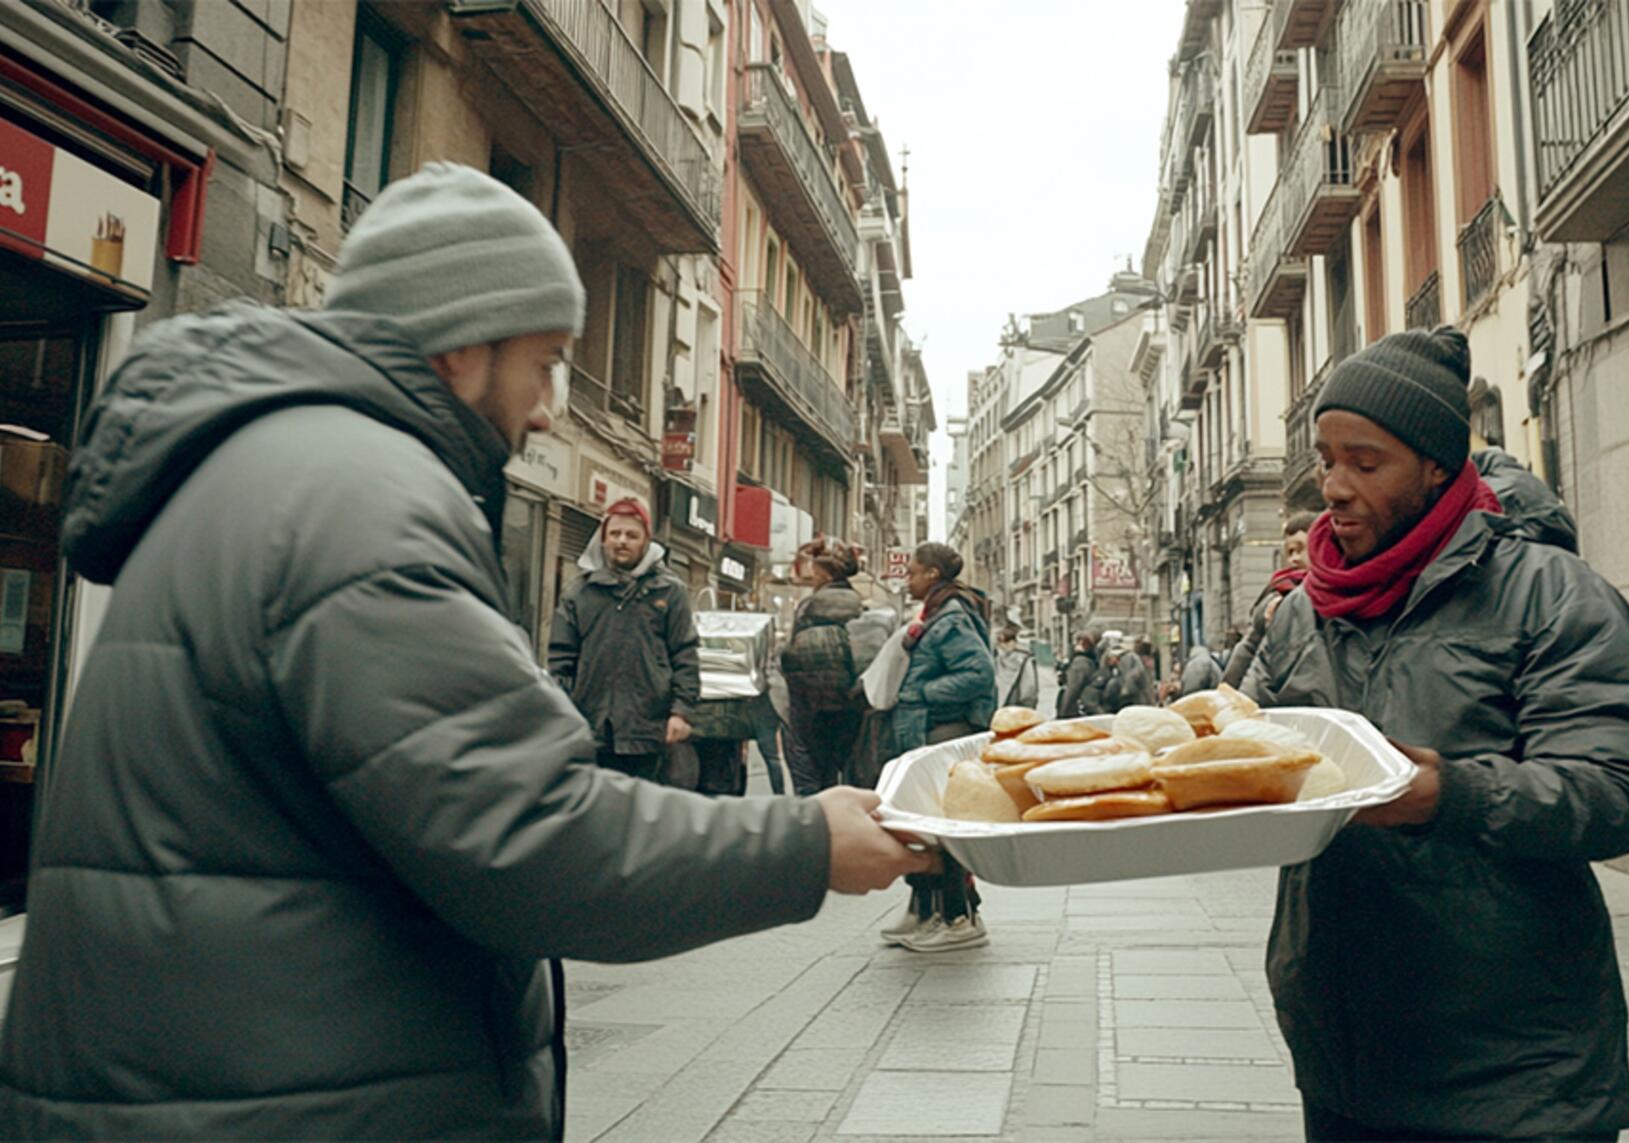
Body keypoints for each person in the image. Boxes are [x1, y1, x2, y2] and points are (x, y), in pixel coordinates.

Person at [0, 163, 932, 1139]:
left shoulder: (277, 468)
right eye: (542, 362)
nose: (544, 407)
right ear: (458, 347)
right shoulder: (353, 500)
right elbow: (528, 835)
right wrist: (803, 841)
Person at [1244, 326, 1629, 1141]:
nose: (1332, 485)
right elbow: (1248, 749)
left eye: (1365, 463)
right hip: (1343, 1055)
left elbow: (1621, 792)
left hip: (1511, 1070)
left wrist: (1447, 792)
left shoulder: (1550, 593)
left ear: (1436, 466)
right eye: (1326, 458)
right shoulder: (1306, 607)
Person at [883, 542, 997, 953]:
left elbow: (978, 673)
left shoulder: (949, 617)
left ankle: (958, 917)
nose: (906, 578)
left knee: (943, 829)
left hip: (942, 731)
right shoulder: (938, 611)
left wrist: (921, 694)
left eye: (912, 572)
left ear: (932, 574)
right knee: (926, 826)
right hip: (929, 730)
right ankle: (929, 910)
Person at [548, 497, 700, 787]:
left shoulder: (670, 592)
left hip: (648, 730)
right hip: (590, 729)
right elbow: (560, 660)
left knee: (643, 819)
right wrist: (563, 713)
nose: (622, 541)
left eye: (632, 535)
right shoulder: (578, 593)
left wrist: (681, 712)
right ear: (603, 538)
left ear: (646, 540)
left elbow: (685, 654)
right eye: (615, 534)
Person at [780, 538, 868, 794]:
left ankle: (814, 824)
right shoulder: (857, 603)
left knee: (811, 775)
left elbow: (794, 653)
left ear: (826, 573)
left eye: (816, 570)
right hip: (849, 704)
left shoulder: (810, 606)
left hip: (808, 705)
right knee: (847, 771)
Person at [1223, 511, 1317, 687]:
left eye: (1301, 549)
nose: (1294, 558)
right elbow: (1248, 650)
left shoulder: (1331, 592)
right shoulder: (1276, 593)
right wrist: (1229, 692)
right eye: (1290, 552)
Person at [995, 624, 1040, 710]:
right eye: (1000, 642)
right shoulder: (997, 660)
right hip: (1006, 709)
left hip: (1015, 708)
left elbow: (1029, 690)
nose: (1002, 645)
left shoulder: (1024, 661)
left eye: (1005, 642)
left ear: (1013, 642)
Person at [1058, 630, 1099, 718]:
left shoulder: (1080, 663)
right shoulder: (1091, 661)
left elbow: (1073, 689)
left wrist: (1063, 712)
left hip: (1074, 710)